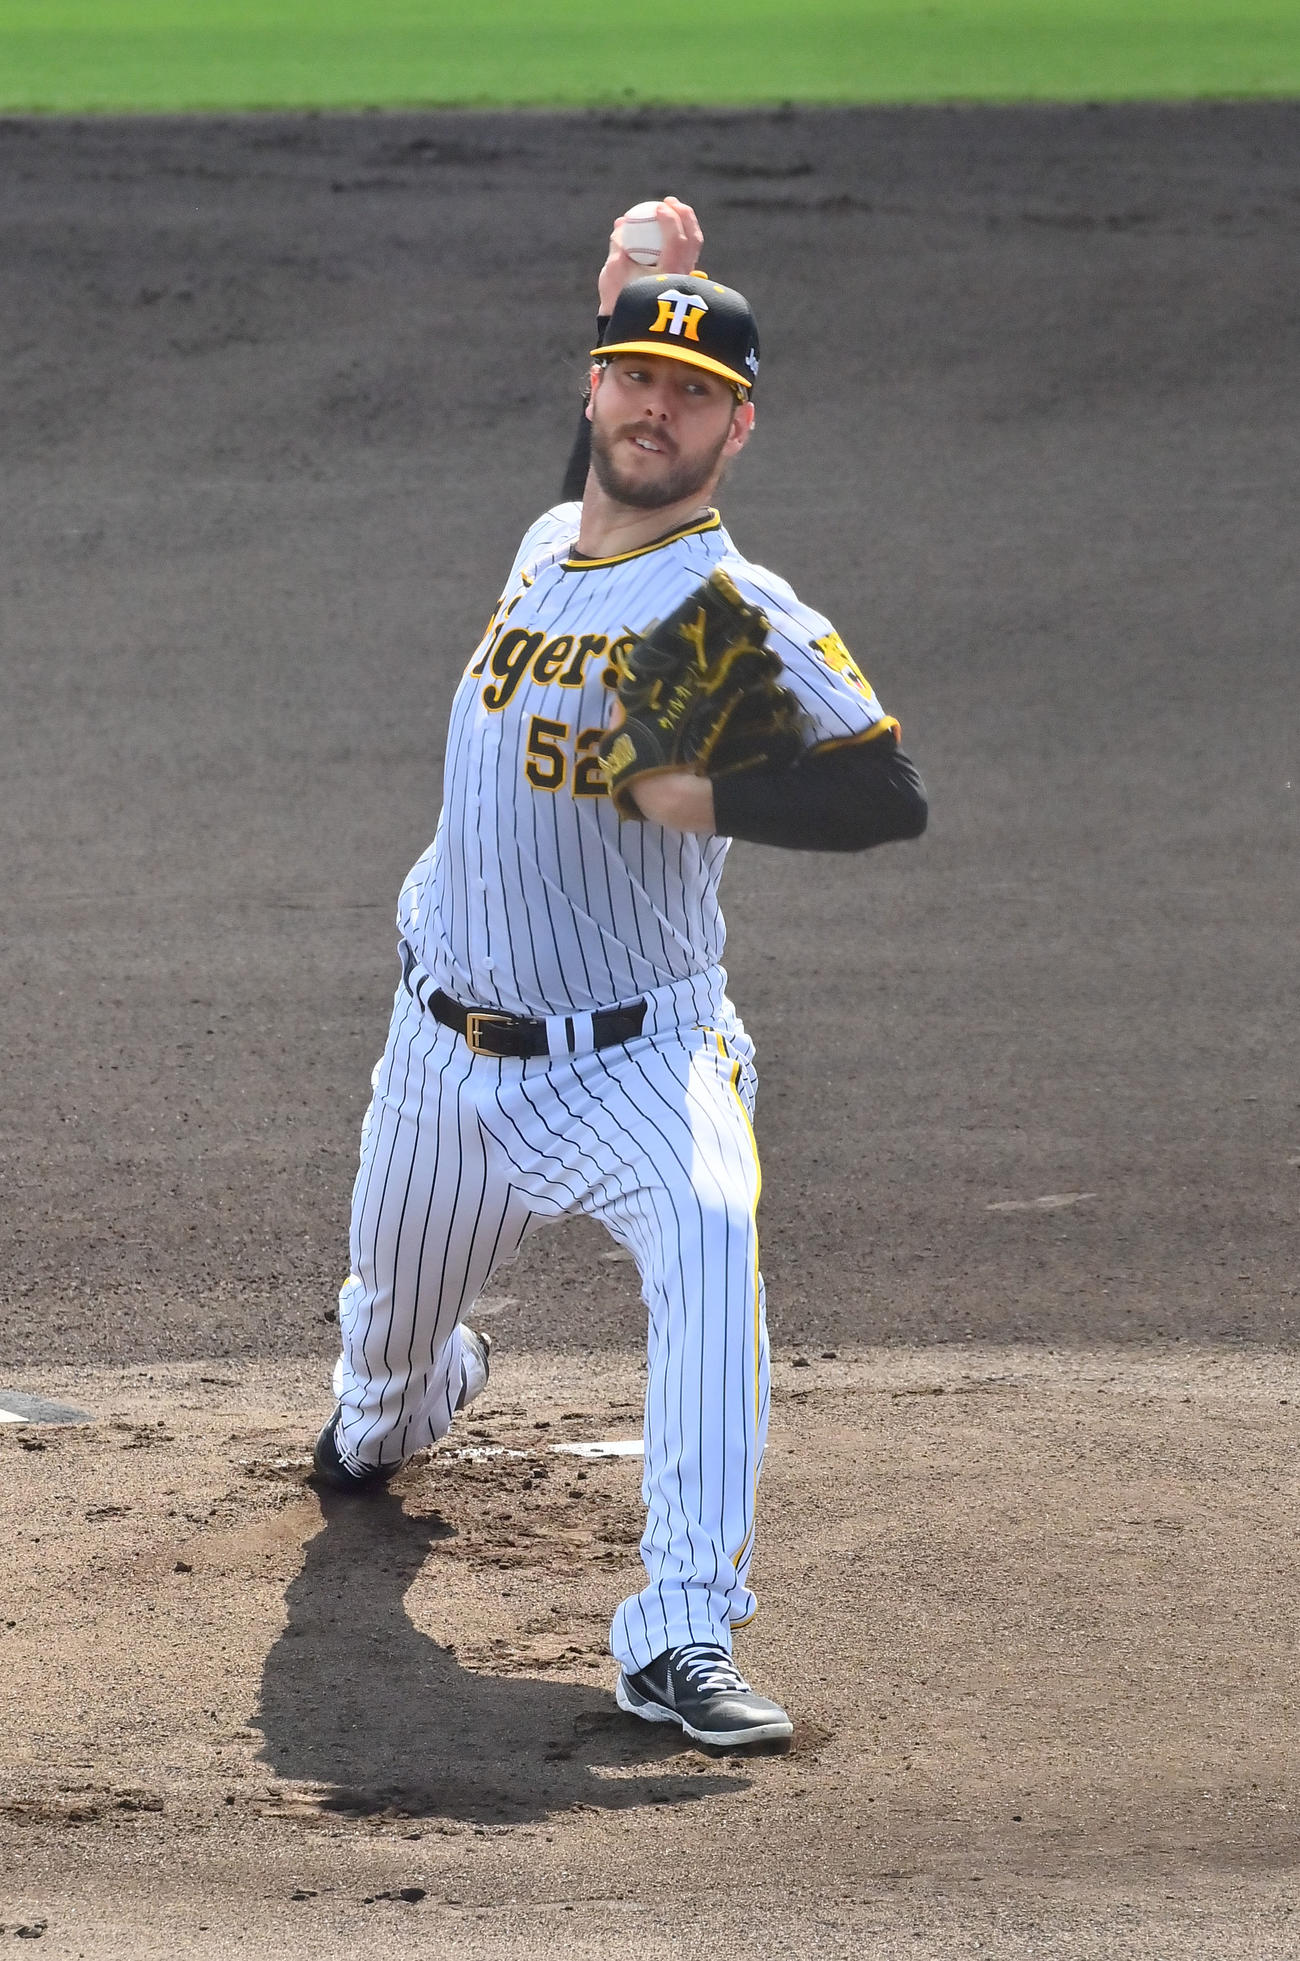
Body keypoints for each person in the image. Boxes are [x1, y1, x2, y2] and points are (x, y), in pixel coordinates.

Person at [311, 204, 928, 1751]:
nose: (658, 407)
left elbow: (879, 793)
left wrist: (707, 788)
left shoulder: (717, 616)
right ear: (594, 389)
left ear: (739, 423)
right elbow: (594, 504)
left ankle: (681, 1632)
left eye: (694, 390)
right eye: (635, 375)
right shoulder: (546, 547)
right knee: (374, 1401)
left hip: (637, 1059)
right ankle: (408, 1398)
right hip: (445, 1055)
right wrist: (622, 296)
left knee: (714, 1232)